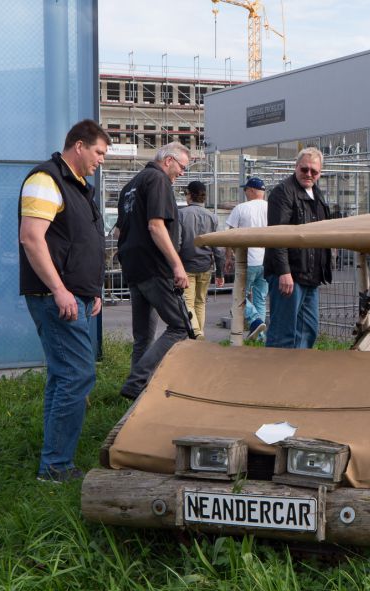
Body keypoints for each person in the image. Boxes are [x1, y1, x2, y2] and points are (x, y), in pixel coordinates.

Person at [18, 119, 110, 482]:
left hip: (77, 296)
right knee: (76, 375)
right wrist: (60, 289)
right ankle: (56, 467)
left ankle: (54, 460)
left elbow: (80, 242)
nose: (101, 160)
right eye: (99, 152)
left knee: (63, 376)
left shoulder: (79, 186)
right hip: (57, 297)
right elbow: (32, 238)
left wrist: (93, 291)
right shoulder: (46, 179)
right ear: (79, 146)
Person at [116, 142, 191, 400]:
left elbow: (118, 231)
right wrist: (177, 265)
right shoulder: (158, 180)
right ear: (168, 160)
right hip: (155, 267)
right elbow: (156, 226)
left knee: (143, 337)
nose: (182, 173)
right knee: (180, 326)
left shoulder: (131, 185)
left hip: (133, 267)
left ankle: (136, 393)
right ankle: (137, 382)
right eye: (182, 167)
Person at [263, 148, 332, 348]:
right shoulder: (283, 192)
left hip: (310, 274)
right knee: (283, 334)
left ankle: (296, 374)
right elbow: (278, 233)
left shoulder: (316, 194)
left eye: (314, 171)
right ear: (296, 167)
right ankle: (274, 376)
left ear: (320, 172)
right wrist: (284, 272)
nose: (309, 174)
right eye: (304, 169)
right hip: (290, 273)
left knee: (308, 331)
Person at [177, 180, 223, 340]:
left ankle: (196, 332)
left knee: (187, 302)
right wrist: (220, 272)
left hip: (186, 266)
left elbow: (178, 243)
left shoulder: (181, 214)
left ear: (189, 195)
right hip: (206, 266)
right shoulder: (213, 217)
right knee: (200, 302)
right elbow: (218, 248)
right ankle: (200, 334)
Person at [225, 176, 269, 341]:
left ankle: (254, 320)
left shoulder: (241, 208)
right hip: (266, 261)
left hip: (246, 261)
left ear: (251, 190)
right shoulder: (272, 208)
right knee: (260, 298)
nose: (244, 193)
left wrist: (228, 258)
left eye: (245, 190)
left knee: (239, 295)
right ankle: (261, 337)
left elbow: (229, 235)